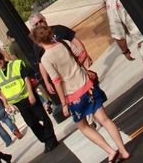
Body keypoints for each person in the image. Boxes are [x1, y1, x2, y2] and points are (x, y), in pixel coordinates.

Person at [33, 22, 129, 161]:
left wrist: (64, 103)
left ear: (38, 42)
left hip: (74, 95)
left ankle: (110, 150)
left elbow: (57, 81)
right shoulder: (64, 43)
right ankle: (123, 151)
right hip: (88, 86)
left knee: (83, 127)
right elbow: (82, 54)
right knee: (105, 119)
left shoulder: (45, 59)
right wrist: (78, 67)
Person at [0, 42, 60, 149]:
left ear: (3, 58)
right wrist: (6, 104)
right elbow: (2, 89)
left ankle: (51, 140)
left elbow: (26, 78)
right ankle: (46, 139)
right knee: (31, 123)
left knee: (43, 117)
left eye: (0, 59)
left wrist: (31, 94)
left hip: (28, 97)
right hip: (19, 103)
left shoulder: (15, 64)